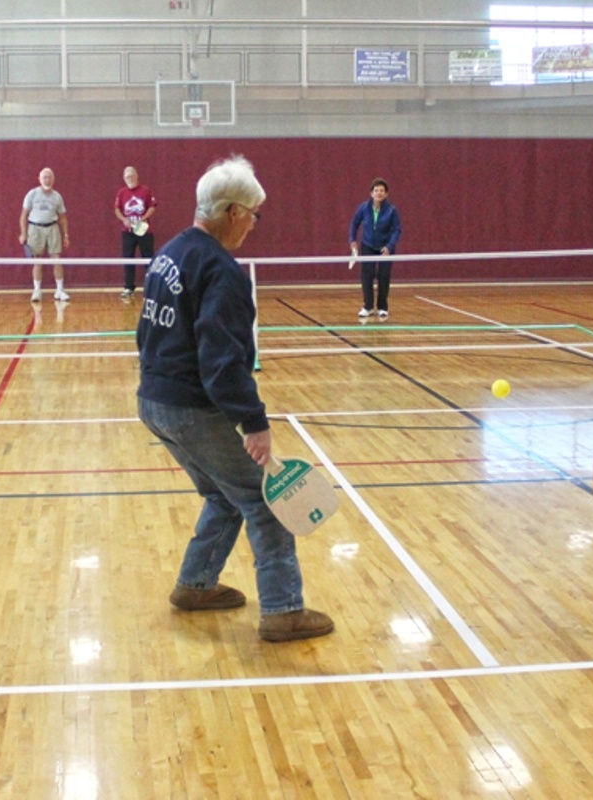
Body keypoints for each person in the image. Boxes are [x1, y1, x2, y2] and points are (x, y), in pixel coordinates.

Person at [136, 155, 334, 643]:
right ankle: (284, 610)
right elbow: (222, 360)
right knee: (265, 502)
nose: (253, 225)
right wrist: (254, 423)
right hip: (188, 407)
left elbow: (146, 331)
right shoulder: (221, 270)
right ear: (230, 212)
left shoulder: (172, 252)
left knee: (224, 495)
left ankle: (195, 585)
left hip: (153, 399)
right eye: (252, 214)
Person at [349, 178, 402, 320]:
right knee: (367, 276)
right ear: (371, 193)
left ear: (386, 194)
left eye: (382, 191)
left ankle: (383, 307)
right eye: (376, 190)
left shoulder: (392, 210)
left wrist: (389, 247)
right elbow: (354, 223)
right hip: (367, 245)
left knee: (384, 276)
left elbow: (397, 230)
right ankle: (368, 306)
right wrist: (352, 240)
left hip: (385, 248)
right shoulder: (363, 208)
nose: (379, 193)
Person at [19, 167, 70, 302]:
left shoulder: (57, 196)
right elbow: (24, 215)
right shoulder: (32, 194)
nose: (47, 180)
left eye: (49, 177)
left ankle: (59, 290)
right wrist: (23, 234)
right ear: (39, 179)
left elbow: (63, 217)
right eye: (45, 177)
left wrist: (66, 235)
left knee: (56, 259)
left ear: (53, 179)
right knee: (38, 260)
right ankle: (37, 291)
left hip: (52, 228)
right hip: (35, 229)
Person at [114, 166, 157, 303]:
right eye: (127, 177)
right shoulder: (121, 193)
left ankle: (152, 287)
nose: (130, 178)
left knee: (148, 258)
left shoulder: (145, 190)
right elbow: (117, 209)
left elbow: (152, 206)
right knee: (128, 258)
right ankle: (128, 288)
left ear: (136, 176)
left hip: (143, 229)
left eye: (132, 176)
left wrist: (143, 218)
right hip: (128, 232)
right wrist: (124, 219)